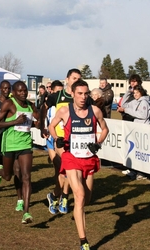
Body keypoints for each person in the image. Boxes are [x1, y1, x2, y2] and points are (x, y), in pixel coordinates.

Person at [48, 79, 109, 250]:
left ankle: (75, 211)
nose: (83, 97)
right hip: (71, 158)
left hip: (88, 159)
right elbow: (52, 126)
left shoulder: (94, 111)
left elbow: (105, 129)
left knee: (86, 200)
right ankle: (84, 242)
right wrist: (57, 138)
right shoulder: (64, 111)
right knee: (80, 196)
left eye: (86, 93)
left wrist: (98, 143)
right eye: (80, 94)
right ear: (73, 94)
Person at [40, 69, 89, 215]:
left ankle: (57, 196)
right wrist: (42, 126)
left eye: (79, 78)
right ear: (67, 80)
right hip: (59, 139)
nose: (76, 81)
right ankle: (63, 197)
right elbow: (44, 107)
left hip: (75, 140)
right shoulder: (57, 96)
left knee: (65, 172)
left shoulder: (81, 98)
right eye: (74, 78)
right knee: (66, 168)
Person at [0, 81, 40, 224]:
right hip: (10, 144)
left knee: (26, 176)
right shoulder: (9, 104)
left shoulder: (30, 105)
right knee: (9, 175)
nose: (23, 93)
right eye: (20, 91)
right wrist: (15, 122)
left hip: (25, 144)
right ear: (13, 92)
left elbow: (37, 121)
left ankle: (26, 212)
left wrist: (37, 124)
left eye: (25, 90)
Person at [44, 80, 64, 164]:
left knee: (65, 163)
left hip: (61, 136)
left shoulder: (65, 105)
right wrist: (43, 128)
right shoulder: (48, 106)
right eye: (58, 92)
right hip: (50, 137)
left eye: (61, 91)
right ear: (51, 91)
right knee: (57, 166)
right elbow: (43, 116)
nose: (60, 94)